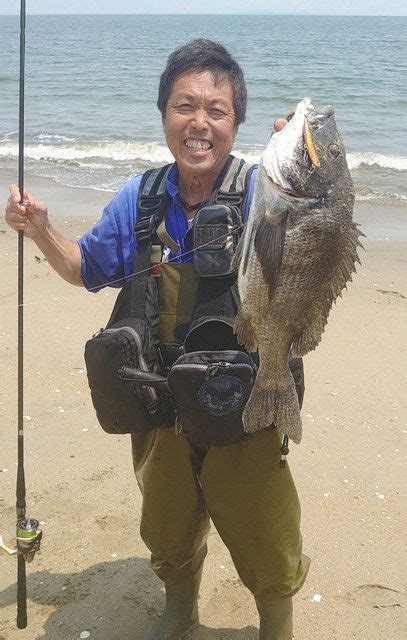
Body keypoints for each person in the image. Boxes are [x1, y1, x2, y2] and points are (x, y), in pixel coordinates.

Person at [5, 39, 309, 640]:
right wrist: (40, 228)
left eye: (216, 110)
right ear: (165, 114)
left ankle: (277, 621)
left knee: (264, 524)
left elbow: (313, 230)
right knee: (167, 520)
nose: (199, 123)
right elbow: (82, 269)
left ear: (237, 123)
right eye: (184, 105)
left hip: (243, 396)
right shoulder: (139, 200)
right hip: (158, 400)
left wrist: (303, 156)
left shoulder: (264, 195)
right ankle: (180, 608)